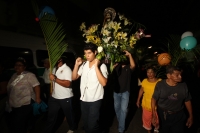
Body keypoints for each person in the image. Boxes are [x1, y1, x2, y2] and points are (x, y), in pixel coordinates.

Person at [72, 43, 108, 133]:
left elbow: (104, 83)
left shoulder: (102, 66)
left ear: (95, 52)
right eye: (85, 53)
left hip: (95, 100)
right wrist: (76, 65)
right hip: (84, 99)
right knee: (86, 125)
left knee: (93, 126)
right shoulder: (84, 65)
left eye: (89, 53)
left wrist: (96, 66)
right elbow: (74, 77)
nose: (87, 55)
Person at [151, 65, 193, 133]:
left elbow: (187, 100)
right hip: (163, 115)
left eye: (180, 74)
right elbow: (154, 99)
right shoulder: (160, 85)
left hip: (179, 115)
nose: (180, 77)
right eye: (177, 75)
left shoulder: (183, 85)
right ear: (168, 75)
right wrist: (154, 115)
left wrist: (191, 116)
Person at [7, 57, 41, 133]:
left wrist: (37, 98)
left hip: (25, 103)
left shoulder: (29, 75)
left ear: (24, 67)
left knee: (19, 123)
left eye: (20, 65)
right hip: (14, 103)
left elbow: (36, 86)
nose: (17, 66)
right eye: (16, 65)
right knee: (17, 122)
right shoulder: (14, 76)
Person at [44, 56, 76, 133]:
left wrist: (55, 79)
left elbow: (68, 84)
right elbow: (52, 81)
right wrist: (52, 91)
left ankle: (72, 128)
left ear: (60, 60)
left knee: (69, 115)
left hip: (65, 97)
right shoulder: (54, 68)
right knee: (51, 116)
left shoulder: (67, 69)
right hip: (54, 98)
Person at [112, 50, 135, 133]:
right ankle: (121, 121)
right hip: (116, 92)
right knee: (117, 109)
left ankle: (121, 128)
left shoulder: (128, 67)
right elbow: (110, 71)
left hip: (125, 92)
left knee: (124, 110)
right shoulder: (116, 66)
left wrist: (129, 54)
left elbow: (133, 65)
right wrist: (113, 67)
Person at [136, 66, 161, 133]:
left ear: (155, 73)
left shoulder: (159, 82)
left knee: (156, 121)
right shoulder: (144, 81)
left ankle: (156, 129)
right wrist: (138, 100)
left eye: (151, 72)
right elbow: (141, 90)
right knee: (147, 120)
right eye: (148, 72)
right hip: (146, 105)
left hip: (156, 106)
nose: (149, 74)